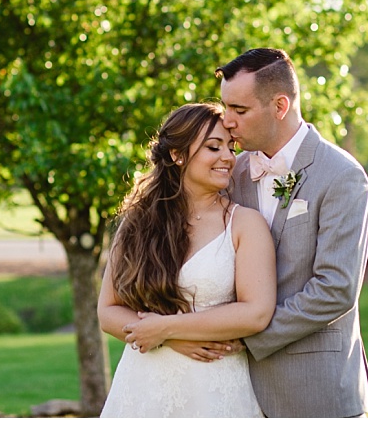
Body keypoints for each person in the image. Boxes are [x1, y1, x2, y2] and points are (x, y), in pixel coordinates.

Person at [218, 47, 368, 418]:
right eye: (225, 107)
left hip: (315, 391)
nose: (226, 121)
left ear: (280, 106)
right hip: (234, 393)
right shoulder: (232, 174)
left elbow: (335, 289)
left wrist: (243, 333)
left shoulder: (342, 177)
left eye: (238, 110)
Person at [98, 102, 276, 418]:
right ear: (177, 155)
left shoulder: (245, 224)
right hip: (144, 384)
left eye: (230, 147)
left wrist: (167, 328)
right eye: (213, 147)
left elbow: (256, 312)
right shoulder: (137, 222)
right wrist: (167, 339)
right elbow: (107, 311)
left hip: (215, 388)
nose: (228, 157)